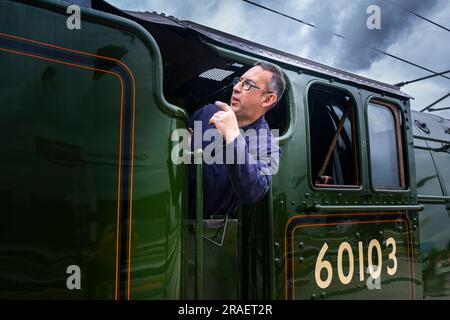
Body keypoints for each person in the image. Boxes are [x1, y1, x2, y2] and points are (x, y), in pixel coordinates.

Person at [188, 61, 286, 218]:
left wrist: (233, 137)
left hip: (208, 234)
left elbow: (253, 191)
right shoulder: (206, 113)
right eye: (239, 81)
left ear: (267, 99)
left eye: (248, 84)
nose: (236, 88)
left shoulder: (268, 146)